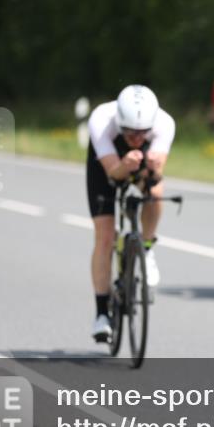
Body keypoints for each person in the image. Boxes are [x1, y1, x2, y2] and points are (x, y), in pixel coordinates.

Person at [86, 85, 176, 342]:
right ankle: (102, 314)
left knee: (156, 192)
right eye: (130, 133)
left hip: (140, 165)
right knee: (104, 237)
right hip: (107, 165)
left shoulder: (164, 123)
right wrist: (124, 165)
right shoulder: (101, 121)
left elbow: (155, 175)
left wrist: (150, 169)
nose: (136, 138)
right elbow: (113, 173)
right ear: (119, 124)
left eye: (142, 134)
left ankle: (146, 247)